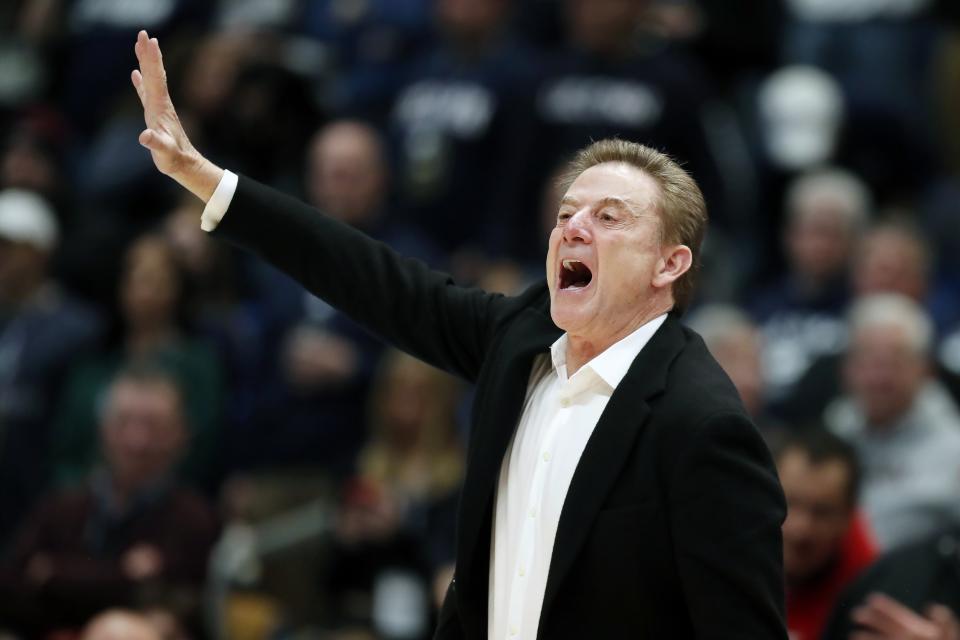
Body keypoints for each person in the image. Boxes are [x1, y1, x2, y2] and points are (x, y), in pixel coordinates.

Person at [130, 29, 786, 639]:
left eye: (609, 216)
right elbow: (369, 276)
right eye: (566, 212)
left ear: (670, 264)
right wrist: (205, 179)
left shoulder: (703, 425)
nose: (575, 228)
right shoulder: (520, 340)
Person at [0, 364, 219, 637]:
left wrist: (53, 573)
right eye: (123, 422)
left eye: (153, 426)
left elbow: (179, 605)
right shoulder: (62, 506)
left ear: (181, 434)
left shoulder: (193, 517)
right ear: (103, 429)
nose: (136, 440)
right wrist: (123, 574)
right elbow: (11, 586)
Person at [824, 294, 960, 550]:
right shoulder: (836, 424)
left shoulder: (954, 450)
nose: (878, 378)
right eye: (867, 361)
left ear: (925, 369)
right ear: (846, 369)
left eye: (893, 363)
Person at [774, 428, 877, 640]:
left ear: (849, 517)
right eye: (789, 503)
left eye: (821, 512)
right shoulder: (731, 542)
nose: (800, 529)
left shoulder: (869, 595)